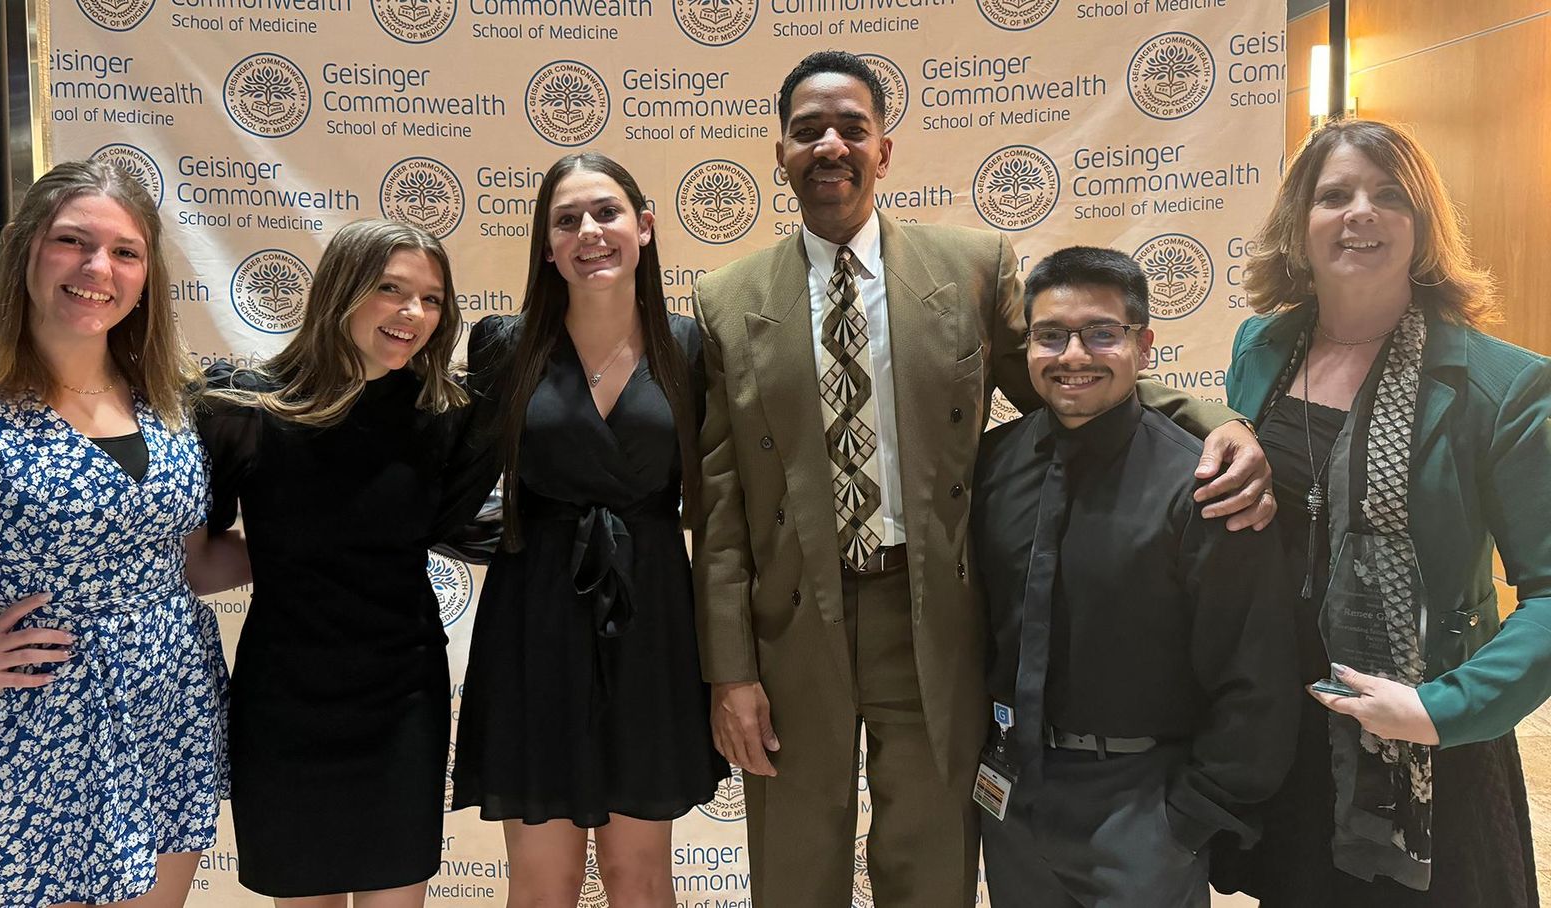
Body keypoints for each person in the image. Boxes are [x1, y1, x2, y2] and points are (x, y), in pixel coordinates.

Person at [690, 49, 1276, 905]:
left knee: (931, 853)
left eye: (852, 128)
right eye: (807, 130)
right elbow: (720, 506)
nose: (830, 146)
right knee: (794, 854)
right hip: (789, 623)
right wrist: (730, 672)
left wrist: (1211, 419)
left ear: (883, 150)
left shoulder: (968, 268)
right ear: (778, 150)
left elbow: (1068, 379)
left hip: (933, 612)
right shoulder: (725, 298)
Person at [1211, 118, 1551, 906]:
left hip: (1419, 744)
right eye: (1335, 195)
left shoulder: (1506, 388)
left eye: (1389, 196)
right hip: (1282, 725)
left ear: (1422, 226)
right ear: (1300, 223)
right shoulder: (1262, 347)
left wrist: (1439, 709)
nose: (1360, 212)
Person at [0, 159, 245, 907]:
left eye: (125, 251)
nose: (96, 268)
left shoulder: (172, 397)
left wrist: (329, 552)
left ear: (147, 275)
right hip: (32, 727)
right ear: (24, 250)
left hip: (167, 713)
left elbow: (177, 563)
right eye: (71, 242)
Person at [972, 246, 1299, 908]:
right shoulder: (990, 469)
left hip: (1144, 811)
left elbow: (1256, 673)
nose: (1073, 355)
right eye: (1051, 335)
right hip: (1012, 799)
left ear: (1143, 346)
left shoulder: (1205, 484)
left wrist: (1189, 819)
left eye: (1101, 333)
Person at [450, 152, 727, 906]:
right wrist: (523, 537)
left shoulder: (693, 346)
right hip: (535, 618)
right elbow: (450, 490)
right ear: (546, 246)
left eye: (605, 212)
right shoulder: (504, 345)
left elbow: (724, 500)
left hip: (653, 617)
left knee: (641, 877)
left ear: (644, 226)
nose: (588, 232)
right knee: (544, 882)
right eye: (566, 220)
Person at [198, 219, 493, 907]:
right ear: (341, 289)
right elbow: (198, 562)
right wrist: (284, 551)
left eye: (432, 298)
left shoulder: (447, 416)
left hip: (402, 701)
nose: (413, 313)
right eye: (391, 289)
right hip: (284, 704)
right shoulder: (244, 407)